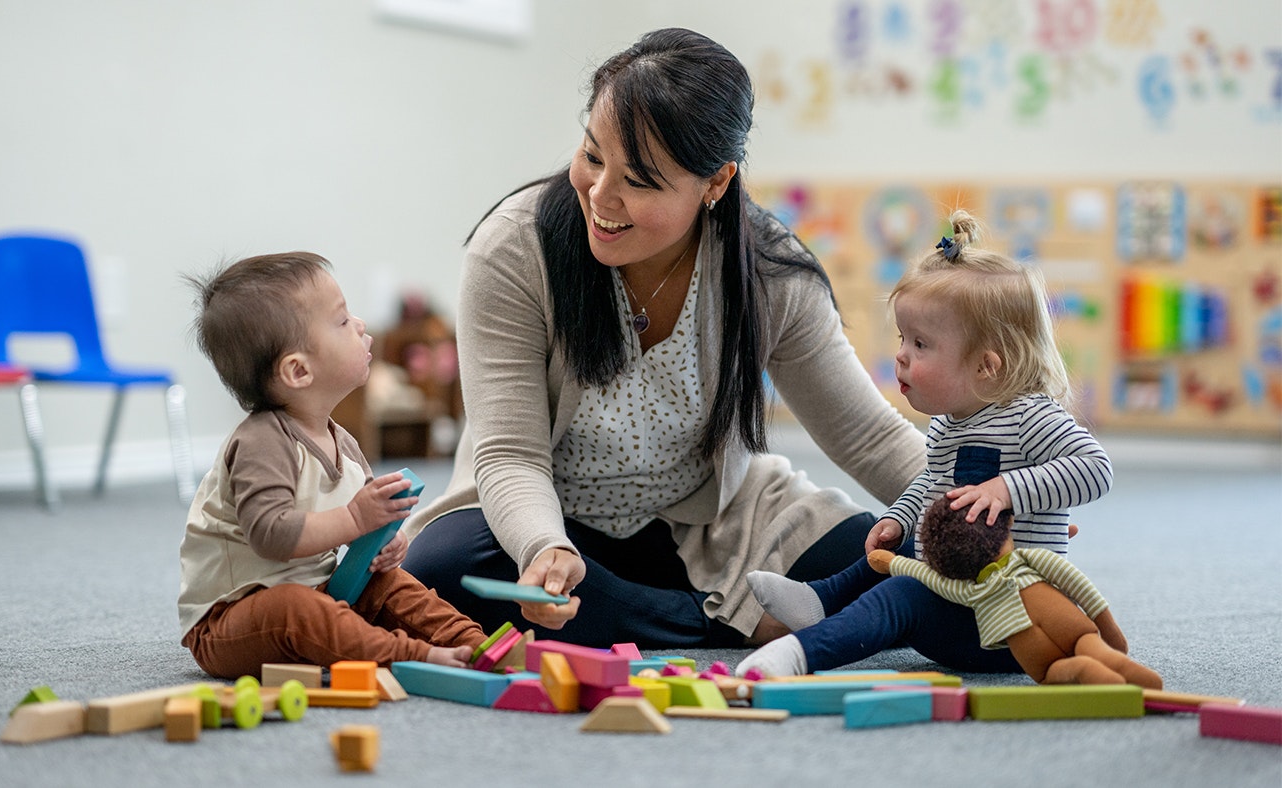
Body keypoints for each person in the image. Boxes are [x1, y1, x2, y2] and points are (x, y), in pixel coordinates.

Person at [400, 28, 926, 649]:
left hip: (711, 525)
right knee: (439, 572)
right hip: (547, 521)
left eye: (640, 181)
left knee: (905, 557)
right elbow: (509, 454)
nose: (600, 196)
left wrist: (973, 513)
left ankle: (671, 614)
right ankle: (720, 622)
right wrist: (544, 546)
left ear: (715, 183)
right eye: (593, 156)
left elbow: (865, 435)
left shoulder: (769, 270)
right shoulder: (514, 250)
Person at [737, 209, 1114, 677]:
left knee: (902, 595)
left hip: (1011, 624)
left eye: (920, 344)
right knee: (899, 542)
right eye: (902, 337)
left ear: (986, 366)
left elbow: (1095, 467)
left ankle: (799, 655)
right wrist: (898, 516)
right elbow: (930, 482)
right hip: (961, 594)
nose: (900, 354)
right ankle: (823, 598)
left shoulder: (1028, 416)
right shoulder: (948, 424)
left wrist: (1006, 490)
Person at [177, 252, 486, 679]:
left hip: (320, 593)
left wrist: (382, 544)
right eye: (342, 321)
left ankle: (476, 644)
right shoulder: (261, 442)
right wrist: (357, 517)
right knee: (294, 607)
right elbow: (272, 535)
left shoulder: (344, 442)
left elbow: (357, 537)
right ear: (299, 370)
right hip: (232, 620)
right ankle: (406, 655)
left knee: (391, 583)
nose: (360, 325)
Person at [866, 495, 1160, 688]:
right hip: (1059, 615)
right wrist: (1109, 631)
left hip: (1023, 641)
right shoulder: (1030, 558)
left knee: (1051, 672)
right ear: (1006, 524)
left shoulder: (969, 590)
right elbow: (1079, 585)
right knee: (1087, 641)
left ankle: (1081, 669)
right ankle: (1111, 661)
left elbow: (925, 575)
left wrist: (892, 562)